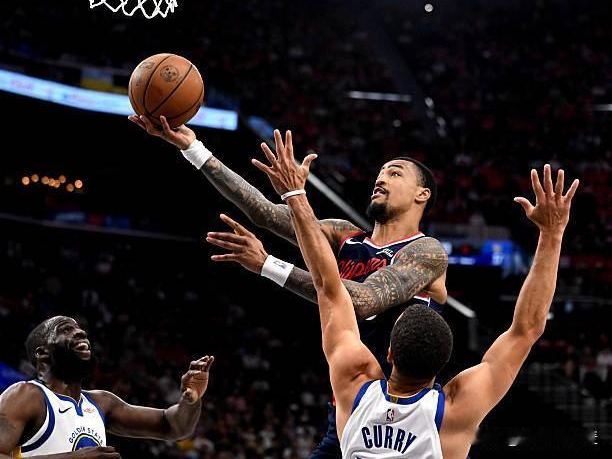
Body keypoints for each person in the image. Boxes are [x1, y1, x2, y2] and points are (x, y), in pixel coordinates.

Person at [130, 117, 448, 457]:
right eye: (380, 172)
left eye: (395, 173)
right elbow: (265, 213)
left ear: (422, 194)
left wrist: (269, 264)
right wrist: (194, 148)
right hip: (350, 406)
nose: (381, 178)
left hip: (406, 414)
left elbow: (363, 301)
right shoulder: (345, 236)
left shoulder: (426, 252)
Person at [249, 133, 578, 458]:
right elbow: (528, 328)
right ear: (445, 365)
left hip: (352, 422)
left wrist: (294, 196)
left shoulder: (355, 384)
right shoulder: (453, 414)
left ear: (388, 354)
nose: (382, 178)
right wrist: (552, 234)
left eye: (394, 173)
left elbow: (329, 287)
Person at [0, 316, 214, 458]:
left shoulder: (102, 402)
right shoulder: (26, 395)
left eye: (80, 329)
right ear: (42, 353)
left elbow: (174, 426)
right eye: (66, 329)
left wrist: (191, 399)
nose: (80, 332)